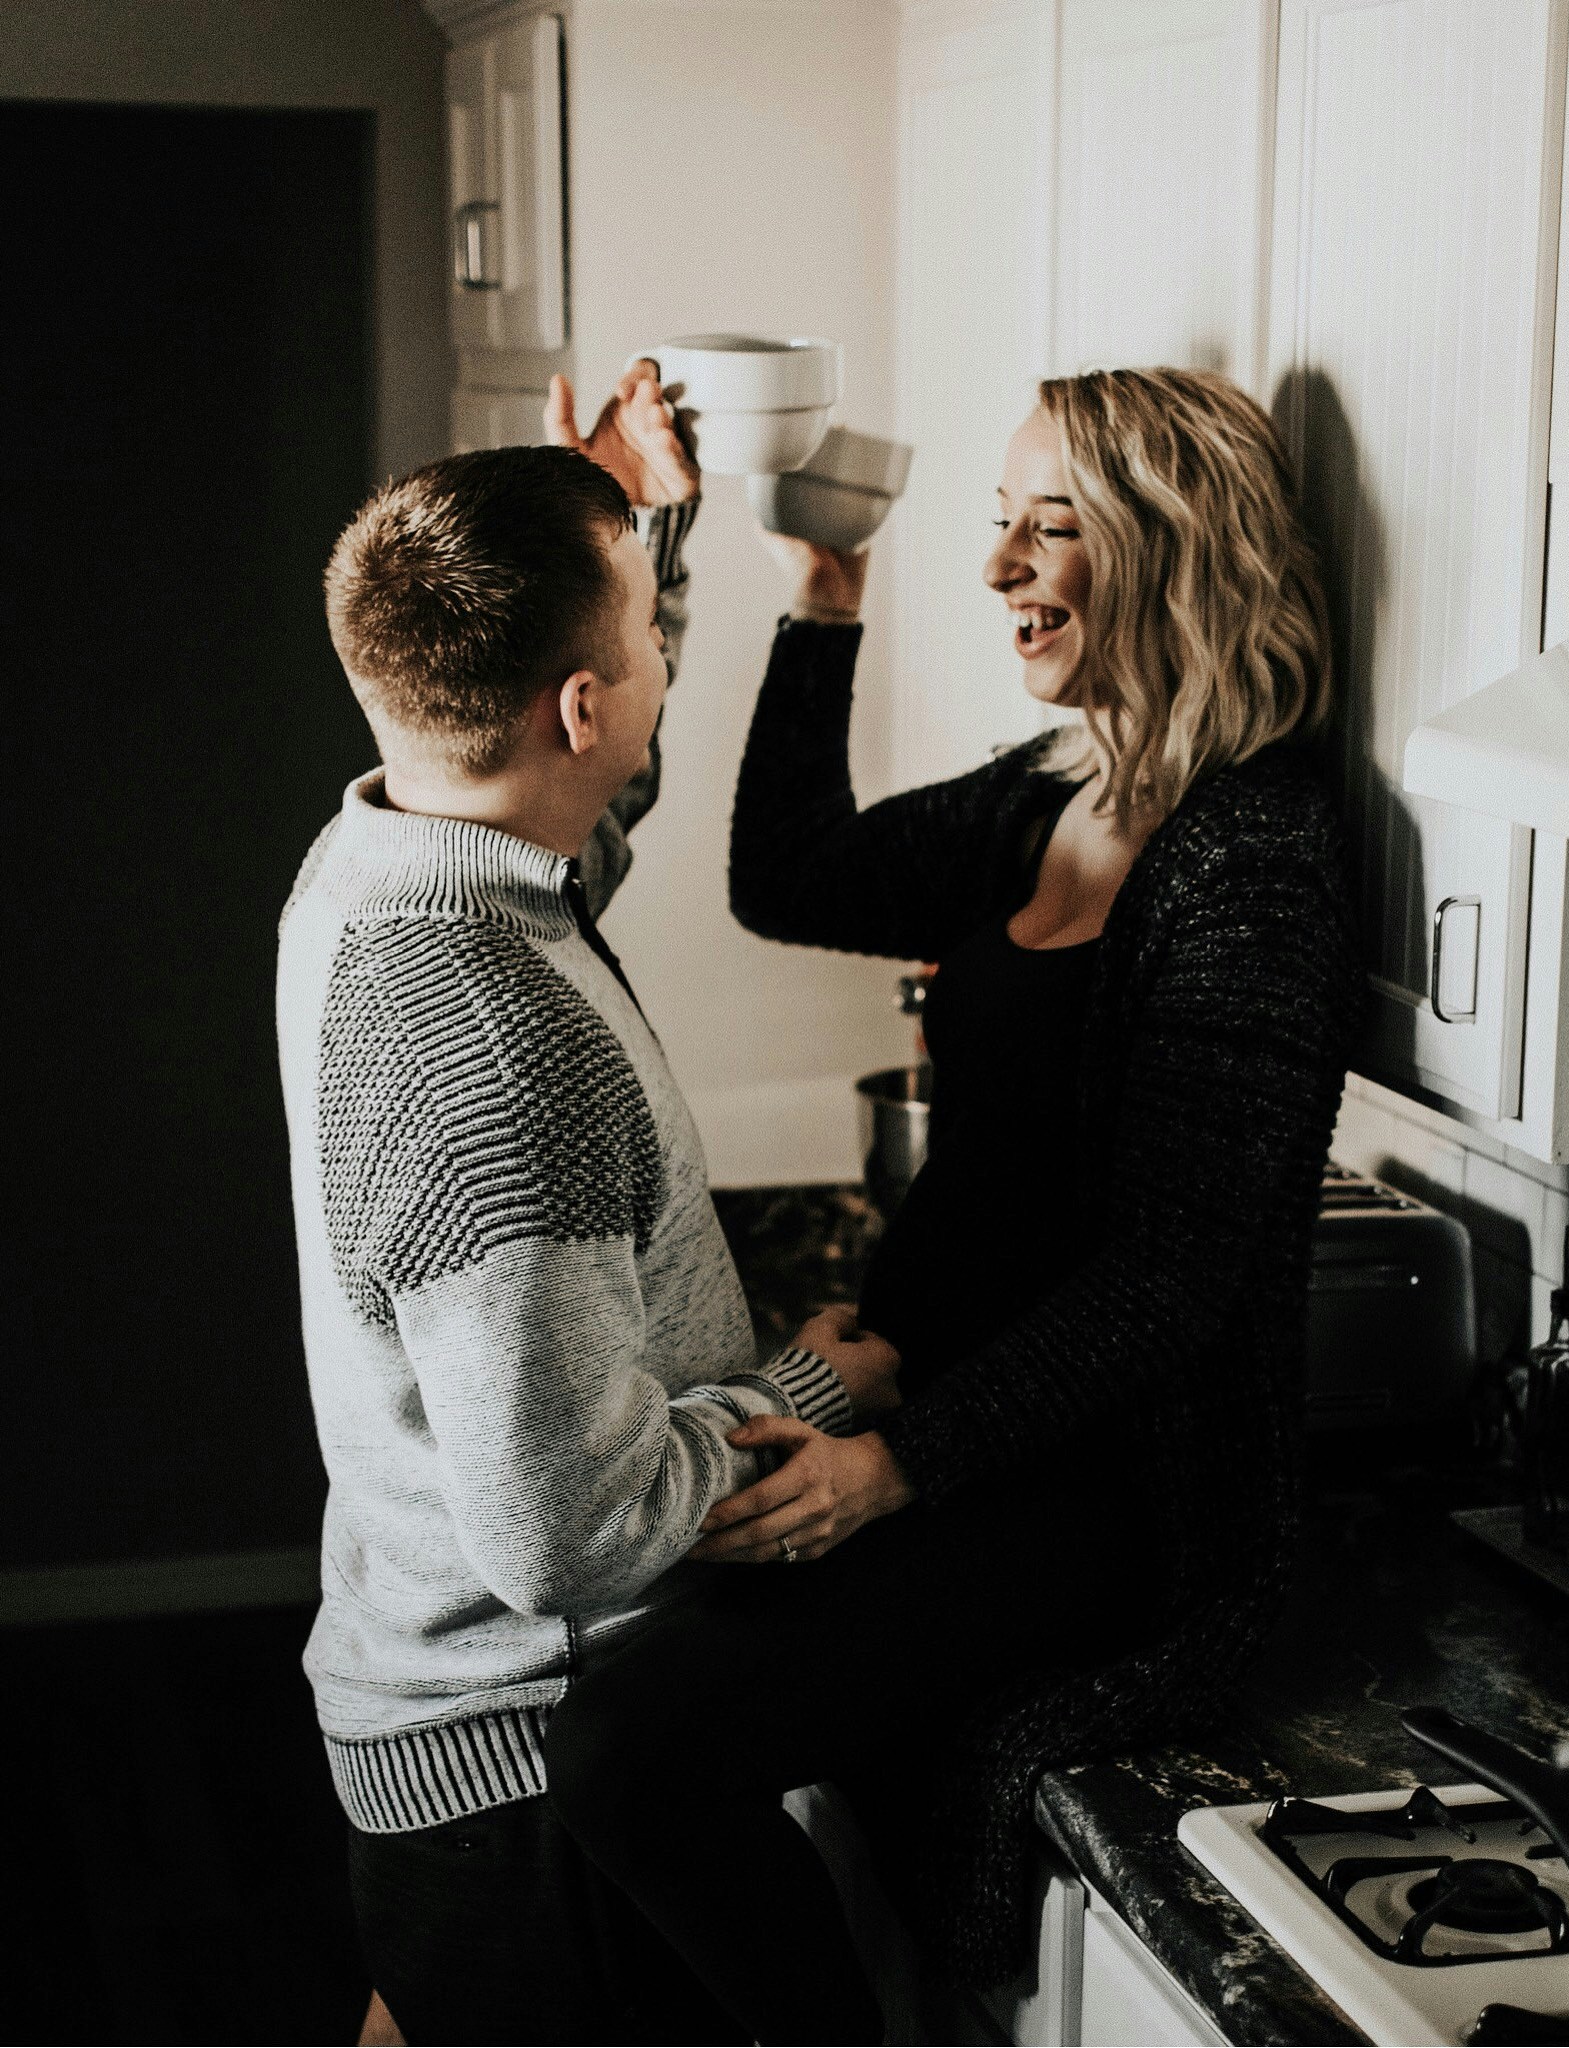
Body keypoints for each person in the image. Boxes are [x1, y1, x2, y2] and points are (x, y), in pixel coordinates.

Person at [537, 367, 1369, 2045]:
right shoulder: (1052, 790)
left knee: (635, 1753)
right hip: (931, 1413)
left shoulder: (1252, 856)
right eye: (999, 523)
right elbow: (789, 878)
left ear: (1178, 554)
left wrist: (893, 1466)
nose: (999, 568)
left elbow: (1171, 1282)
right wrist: (822, 597)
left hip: (1108, 1490)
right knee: (610, 1714)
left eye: (1050, 529)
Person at [275, 361, 899, 2046]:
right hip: (531, 1757)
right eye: (646, 639)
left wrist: (644, 527)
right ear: (576, 704)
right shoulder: (495, 1044)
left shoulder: (383, 858)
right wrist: (812, 1392)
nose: (661, 669)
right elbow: (573, 1529)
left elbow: (590, 798)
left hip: (431, 1720)